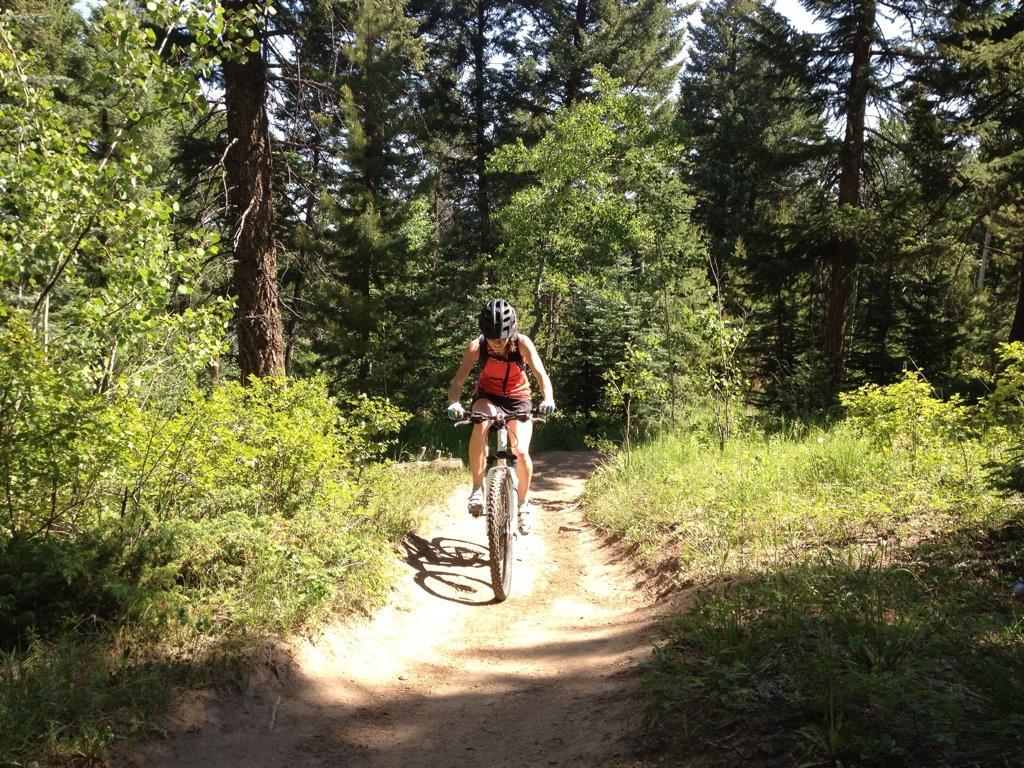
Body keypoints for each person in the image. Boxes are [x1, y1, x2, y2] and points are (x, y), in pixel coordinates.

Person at [446, 299, 556, 535]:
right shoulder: (477, 347)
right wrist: (454, 402)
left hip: (518, 397)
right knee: (480, 424)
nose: (496, 344)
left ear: (511, 331)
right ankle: (477, 488)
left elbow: (541, 375)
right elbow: (457, 382)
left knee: (521, 451)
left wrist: (548, 398)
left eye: (501, 338)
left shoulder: (523, 344)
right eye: (492, 338)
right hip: (488, 396)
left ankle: (524, 505)